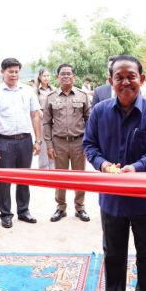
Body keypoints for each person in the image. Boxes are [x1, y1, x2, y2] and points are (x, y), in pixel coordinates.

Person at [83, 55, 146, 291]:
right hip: (113, 198)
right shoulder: (100, 111)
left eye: (131, 76)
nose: (125, 82)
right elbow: (89, 145)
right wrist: (103, 164)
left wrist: (136, 167)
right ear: (111, 81)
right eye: (119, 77)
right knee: (113, 250)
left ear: (141, 79)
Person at [0, 58, 42, 228]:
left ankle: (23, 211)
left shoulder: (28, 90)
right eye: (10, 71)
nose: (14, 74)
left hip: (25, 140)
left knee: (24, 177)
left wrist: (38, 140)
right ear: (2, 72)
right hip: (4, 141)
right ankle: (6, 214)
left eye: (17, 71)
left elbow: (35, 116)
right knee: (4, 180)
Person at [43, 63, 91, 222]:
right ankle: (61, 207)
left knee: (80, 177)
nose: (65, 76)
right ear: (57, 77)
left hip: (79, 142)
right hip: (59, 143)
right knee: (60, 177)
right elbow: (46, 123)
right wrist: (49, 145)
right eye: (62, 74)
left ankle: (80, 207)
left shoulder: (82, 95)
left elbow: (89, 120)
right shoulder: (51, 97)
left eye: (68, 73)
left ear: (74, 77)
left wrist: (87, 143)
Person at [35, 67, 56, 170]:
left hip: (54, 119)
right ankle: (43, 169)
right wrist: (46, 119)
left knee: (53, 143)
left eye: (48, 75)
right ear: (40, 77)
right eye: (44, 76)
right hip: (41, 119)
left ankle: (52, 168)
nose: (46, 78)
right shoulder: (35, 90)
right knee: (43, 145)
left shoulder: (54, 89)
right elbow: (35, 108)